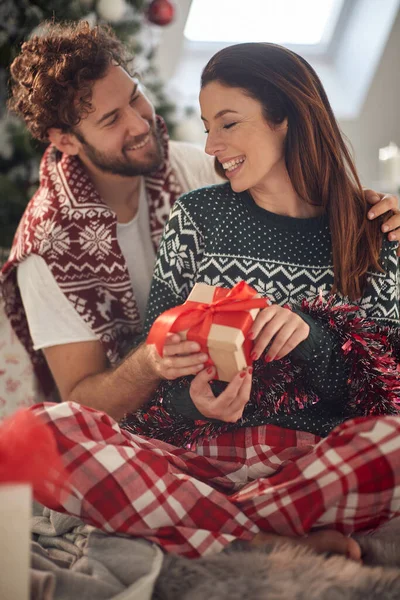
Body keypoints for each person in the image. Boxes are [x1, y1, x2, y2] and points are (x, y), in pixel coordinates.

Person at [30, 43, 399, 562]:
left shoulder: (376, 231)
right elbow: (153, 382)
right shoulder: (198, 217)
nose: (210, 146)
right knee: (45, 433)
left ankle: (216, 530)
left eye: (226, 124)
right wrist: (191, 400)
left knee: (393, 441)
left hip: (311, 459)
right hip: (199, 461)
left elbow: (385, 397)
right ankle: (260, 538)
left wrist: (312, 340)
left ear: (286, 117)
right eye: (205, 127)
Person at [1, 22, 399, 419]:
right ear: (66, 140)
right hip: (157, 424)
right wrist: (167, 378)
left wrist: (363, 209)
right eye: (110, 120)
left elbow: (283, 181)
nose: (141, 126)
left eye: (136, 99)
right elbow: (84, 402)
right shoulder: (47, 246)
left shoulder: (187, 166)